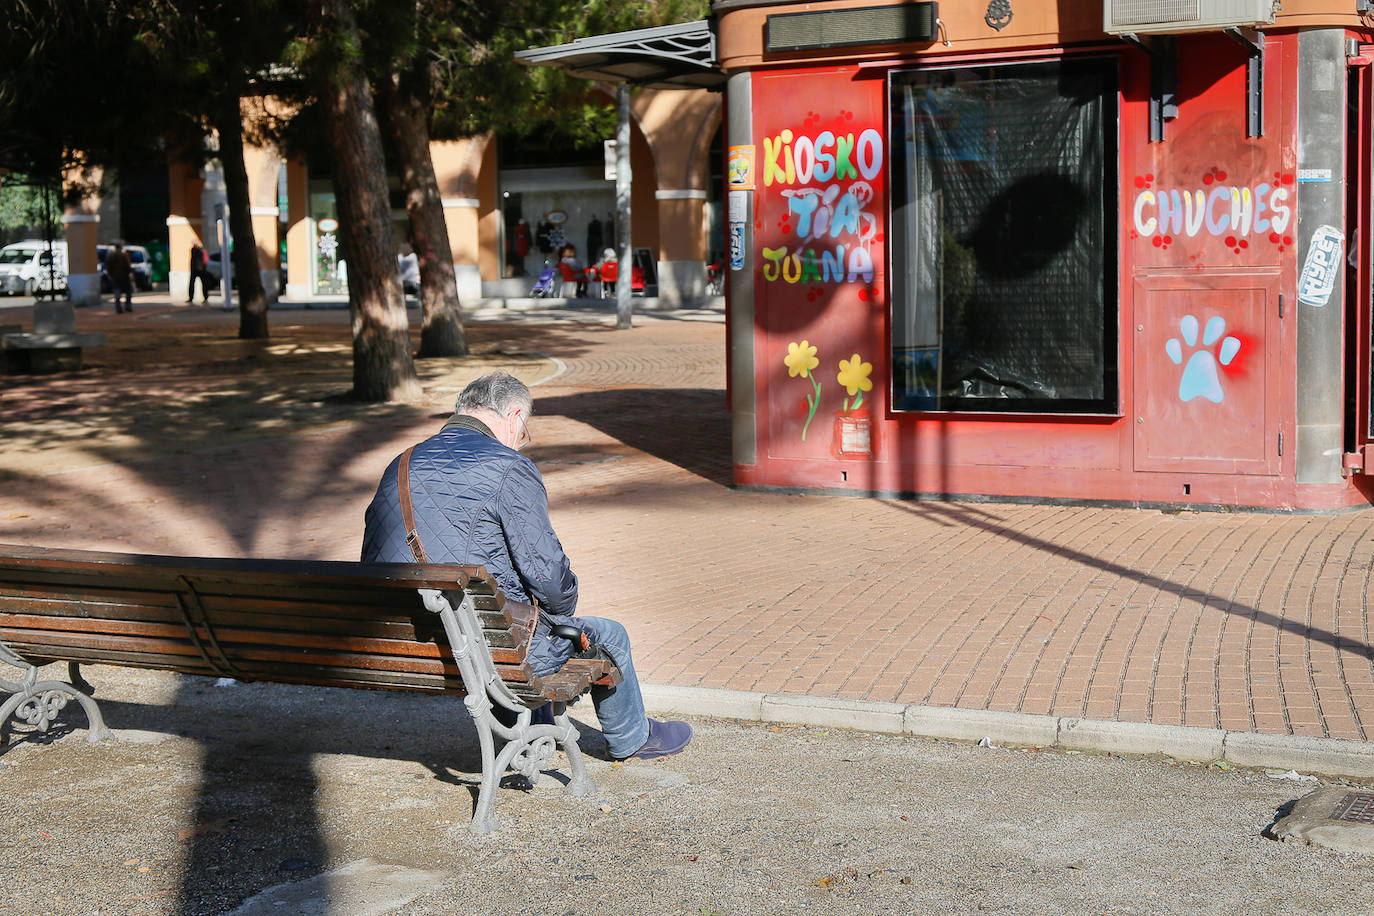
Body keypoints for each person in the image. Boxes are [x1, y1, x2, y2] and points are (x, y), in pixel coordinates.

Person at [361, 372, 692, 761]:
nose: (521, 440)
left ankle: (534, 730)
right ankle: (633, 739)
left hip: (408, 645)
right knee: (607, 634)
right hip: (491, 650)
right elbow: (549, 577)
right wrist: (560, 612)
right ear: (515, 415)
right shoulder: (507, 466)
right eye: (525, 430)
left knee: (506, 615)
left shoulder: (399, 465)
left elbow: (372, 559)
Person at [104, 241, 134, 314]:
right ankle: (128, 306)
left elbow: (108, 267)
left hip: (115, 277)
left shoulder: (110, 255)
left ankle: (118, 308)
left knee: (117, 293)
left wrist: (110, 275)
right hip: (124, 277)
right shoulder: (124, 255)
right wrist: (130, 273)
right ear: (120, 247)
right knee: (128, 292)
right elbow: (128, 266)